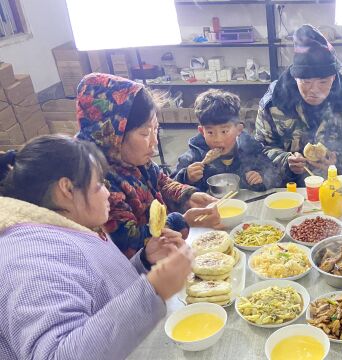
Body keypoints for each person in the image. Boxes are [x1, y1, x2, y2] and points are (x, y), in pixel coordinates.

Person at [0, 135, 192, 359]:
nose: (108, 193)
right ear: (67, 189)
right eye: (100, 184)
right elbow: (57, 354)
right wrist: (153, 290)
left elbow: (99, 291)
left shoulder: (72, 225)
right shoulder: (29, 259)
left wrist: (145, 262)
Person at [76, 73, 221, 258]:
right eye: (145, 133)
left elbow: (162, 182)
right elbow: (129, 241)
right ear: (113, 134)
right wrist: (182, 221)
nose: (154, 141)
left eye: (156, 129)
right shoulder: (97, 181)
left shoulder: (134, 158)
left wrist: (188, 195)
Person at [255, 24, 342, 185]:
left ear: (334, 77)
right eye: (306, 82)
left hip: (340, 185)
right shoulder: (274, 103)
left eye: (323, 82)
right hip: (291, 189)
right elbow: (260, 148)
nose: (314, 90)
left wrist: (340, 160)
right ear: (295, 77)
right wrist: (286, 161)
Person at [173, 89, 280, 192]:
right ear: (202, 131)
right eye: (210, 132)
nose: (217, 139)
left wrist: (262, 178)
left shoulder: (252, 149)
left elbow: (275, 174)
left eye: (224, 131)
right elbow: (170, 187)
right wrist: (186, 177)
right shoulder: (193, 156)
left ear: (239, 129)